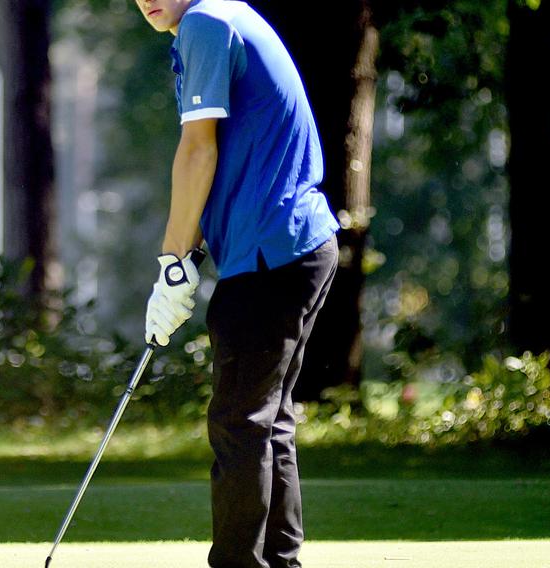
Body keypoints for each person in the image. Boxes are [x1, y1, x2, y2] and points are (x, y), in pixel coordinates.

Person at [136, 1, 341, 567]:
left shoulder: (204, 22)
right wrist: (184, 258)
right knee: (267, 422)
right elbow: (223, 156)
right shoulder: (218, 18)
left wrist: (172, 261)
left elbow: (198, 151)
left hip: (272, 254)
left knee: (240, 422)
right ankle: (279, 563)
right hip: (299, 245)